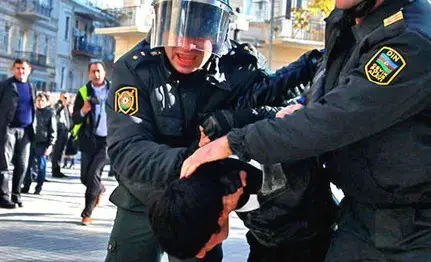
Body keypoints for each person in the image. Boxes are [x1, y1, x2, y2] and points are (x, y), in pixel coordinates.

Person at [181, 0, 431, 260]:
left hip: (419, 228)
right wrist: (298, 107)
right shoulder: (351, 21)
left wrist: (232, 142)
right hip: (360, 216)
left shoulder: (411, 40)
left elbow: (334, 120)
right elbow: (327, 89)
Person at [104, 0, 322, 260]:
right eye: (177, 29)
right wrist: (200, 162)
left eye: (199, 29)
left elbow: (278, 109)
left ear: (218, 28)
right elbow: (127, 150)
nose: (186, 45)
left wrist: (233, 119)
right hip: (144, 195)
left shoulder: (238, 65)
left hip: (202, 206)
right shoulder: (134, 68)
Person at [147, 106, 334, 261]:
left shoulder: (284, 185)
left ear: (218, 217)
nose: (202, 253)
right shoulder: (203, 170)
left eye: (203, 245)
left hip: (316, 245)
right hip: (265, 244)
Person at [72, 61, 110, 225]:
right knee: (85, 178)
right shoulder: (83, 92)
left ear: (104, 73)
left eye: (99, 71)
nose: (96, 74)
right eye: (93, 71)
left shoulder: (114, 91)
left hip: (107, 141)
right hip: (89, 140)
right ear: (89, 74)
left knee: (94, 174)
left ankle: (87, 213)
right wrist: (83, 110)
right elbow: (75, 117)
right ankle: (99, 189)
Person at [0, 59, 37, 208]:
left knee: (22, 165)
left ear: (29, 70)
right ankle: (3, 196)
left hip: (26, 130)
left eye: (23, 69)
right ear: (13, 69)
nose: (20, 71)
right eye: (18, 68)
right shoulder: (6, 86)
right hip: (8, 130)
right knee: (4, 163)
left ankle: (16, 195)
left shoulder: (31, 87)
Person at [22, 93, 57, 194]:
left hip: (43, 143)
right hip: (30, 141)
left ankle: (39, 187)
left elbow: (53, 130)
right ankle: (26, 185)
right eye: (38, 100)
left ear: (46, 102)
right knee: (27, 165)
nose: (40, 103)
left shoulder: (50, 113)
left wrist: (50, 144)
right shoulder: (32, 111)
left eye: (42, 101)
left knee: (41, 166)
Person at [52, 92, 71, 178]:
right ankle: (55, 170)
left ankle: (58, 169)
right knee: (57, 151)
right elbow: (55, 113)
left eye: (67, 98)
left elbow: (68, 118)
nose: (65, 99)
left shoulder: (67, 107)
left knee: (61, 151)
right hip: (59, 129)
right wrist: (63, 105)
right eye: (64, 97)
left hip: (65, 130)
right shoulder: (58, 105)